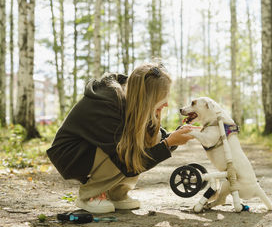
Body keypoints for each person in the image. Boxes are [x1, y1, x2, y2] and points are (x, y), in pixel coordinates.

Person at [47, 63, 194, 214]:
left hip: (95, 149)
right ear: (148, 97)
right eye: (162, 98)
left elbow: (157, 140)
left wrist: (175, 137)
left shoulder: (134, 100)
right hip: (71, 154)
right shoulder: (108, 103)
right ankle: (90, 196)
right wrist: (169, 143)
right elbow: (125, 161)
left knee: (154, 137)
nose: (166, 103)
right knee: (126, 150)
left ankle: (117, 194)